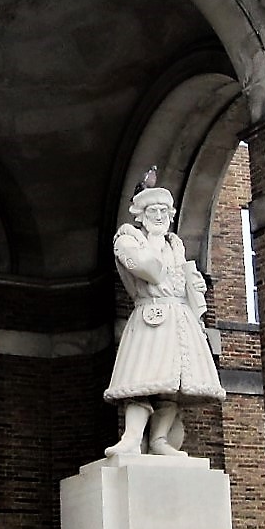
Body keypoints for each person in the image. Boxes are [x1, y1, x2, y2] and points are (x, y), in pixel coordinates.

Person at [104, 186, 225, 456]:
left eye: (164, 211)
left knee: (172, 384)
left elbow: (183, 283)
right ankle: (132, 438)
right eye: (152, 211)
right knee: (141, 379)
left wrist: (194, 285)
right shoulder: (128, 239)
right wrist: (157, 247)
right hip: (150, 314)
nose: (159, 217)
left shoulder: (175, 246)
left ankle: (159, 440)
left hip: (180, 318)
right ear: (141, 215)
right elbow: (150, 271)